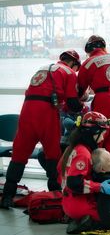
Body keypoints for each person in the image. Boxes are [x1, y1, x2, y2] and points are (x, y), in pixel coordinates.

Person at [0, 50, 83, 209]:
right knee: (52, 155)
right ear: (73, 63)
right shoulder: (69, 72)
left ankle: (7, 197)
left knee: (19, 154)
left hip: (27, 110)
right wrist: (82, 105)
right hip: (46, 113)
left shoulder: (43, 68)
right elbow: (72, 103)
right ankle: (56, 196)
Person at [57, 111, 110, 234]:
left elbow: (60, 172)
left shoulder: (73, 148)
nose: (102, 138)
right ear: (93, 133)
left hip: (68, 201)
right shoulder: (83, 153)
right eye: (101, 133)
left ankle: (82, 219)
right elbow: (74, 183)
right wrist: (99, 186)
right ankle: (90, 223)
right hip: (79, 204)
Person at [77, 35, 110, 163]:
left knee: (98, 143)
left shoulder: (89, 62)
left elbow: (80, 89)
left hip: (106, 101)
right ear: (104, 46)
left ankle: (99, 180)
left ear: (88, 50)